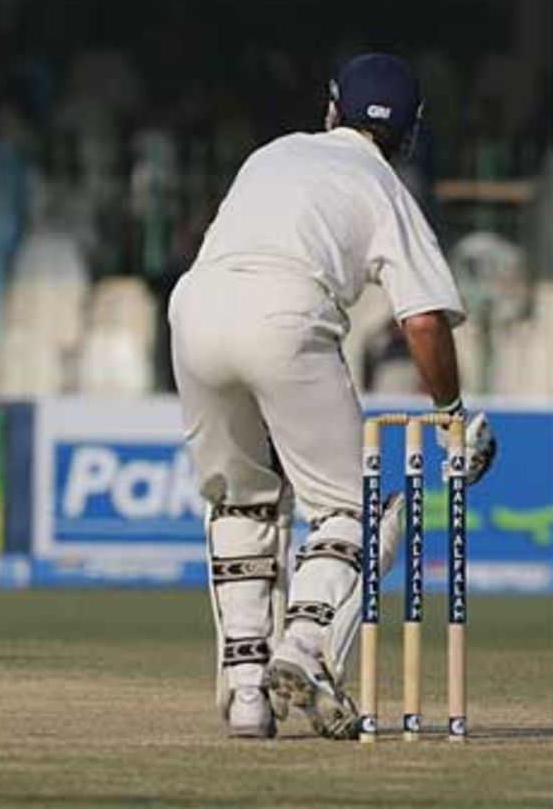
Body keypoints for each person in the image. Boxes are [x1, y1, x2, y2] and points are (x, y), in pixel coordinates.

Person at [168, 54, 497, 739]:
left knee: (240, 498)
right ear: (408, 134)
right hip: (286, 315)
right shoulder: (385, 188)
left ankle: (248, 693)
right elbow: (425, 319)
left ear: (332, 107)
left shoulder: (273, 154)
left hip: (194, 307)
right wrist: (451, 416)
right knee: (356, 507)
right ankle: (307, 646)